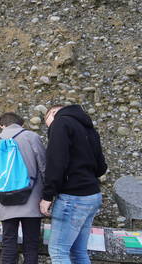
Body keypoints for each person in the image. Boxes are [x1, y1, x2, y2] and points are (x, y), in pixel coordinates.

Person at [39, 105, 108, 264]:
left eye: (47, 123)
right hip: (92, 195)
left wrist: (47, 196)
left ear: (53, 112)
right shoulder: (88, 128)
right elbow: (101, 168)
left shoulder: (60, 123)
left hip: (73, 198)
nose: (49, 128)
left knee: (58, 251)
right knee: (78, 252)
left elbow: (56, 162)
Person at [0, 113, 46, 264]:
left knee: (8, 243)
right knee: (31, 245)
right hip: (32, 199)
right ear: (21, 124)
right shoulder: (32, 137)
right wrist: (48, 194)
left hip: (6, 200)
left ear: (1, 125)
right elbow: (44, 166)